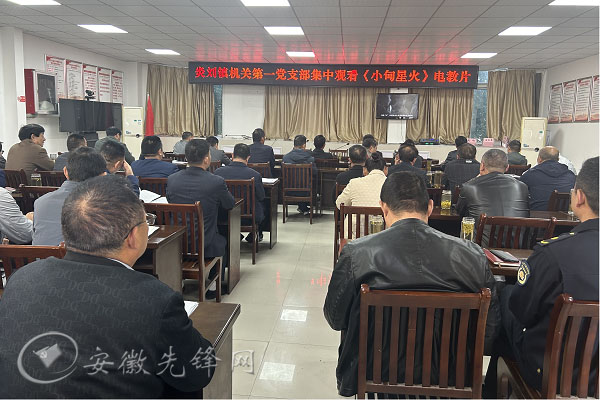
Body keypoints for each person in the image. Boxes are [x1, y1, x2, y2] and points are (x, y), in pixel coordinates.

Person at [0, 175, 215, 398]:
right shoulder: (154, 299)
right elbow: (199, 371)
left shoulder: (23, 277)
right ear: (133, 236)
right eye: (147, 221)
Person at [324, 171, 499, 397]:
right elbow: (489, 332)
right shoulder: (473, 256)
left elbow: (335, 318)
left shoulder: (356, 254)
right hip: (450, 379)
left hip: (376, 374)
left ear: (383, 208)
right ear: (430, 207)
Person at [483, 157, 598, 397]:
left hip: (554, 373)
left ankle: (492, 392)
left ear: (579, 197)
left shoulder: (553, 254)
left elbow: (523, 311)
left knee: (506, 300)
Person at [167, 139, 235, 298]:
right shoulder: (216, 182)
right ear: (206, 159)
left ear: (187, 158)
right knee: (222, 240)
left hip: (177, 242)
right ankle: (212, 287)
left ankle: (180, 282)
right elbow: (229, 204)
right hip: (206, 244)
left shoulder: (172, 180)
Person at [32, 147, 107, 246]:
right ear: (103, 176)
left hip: (42, 256)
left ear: (65, 171)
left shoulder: (40, 202)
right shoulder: (106, 205)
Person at [456, 149, 529, 244]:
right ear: (507, 167)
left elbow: (460, 211)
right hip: (516, 247)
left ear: (482, 166)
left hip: (482, 249)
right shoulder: (522, 187)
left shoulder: (470, 187)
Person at [214, 143, 266, 242]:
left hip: (224, 215)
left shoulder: (218, 172)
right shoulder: (255, 175)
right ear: (248, 158)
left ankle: (232, 235)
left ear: (232, 155)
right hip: (248, 217)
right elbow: (261, 196)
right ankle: (254, 235)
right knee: (264, 206)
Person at [335, 151, 387, 238]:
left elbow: (339, 204)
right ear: (385, 169)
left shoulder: (354, 183)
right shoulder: (392, 184)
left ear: (364, 170)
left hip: (354, 236)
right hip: (384, 236)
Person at [520, 146, 576, 211]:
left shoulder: (530, 174)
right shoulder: (571, 176)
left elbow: (520, 194)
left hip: (537, 215)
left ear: (539, 159)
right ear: (558, 159)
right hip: (563, 216)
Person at [282, 135, 317, 215]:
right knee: (309, 182)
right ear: (304, 145)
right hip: (306, 191)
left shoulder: (285, 158)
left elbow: (282, 173)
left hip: (289, 191)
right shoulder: (310, 158)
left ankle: (303, 207)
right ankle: (304, 207)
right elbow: (315, 172)